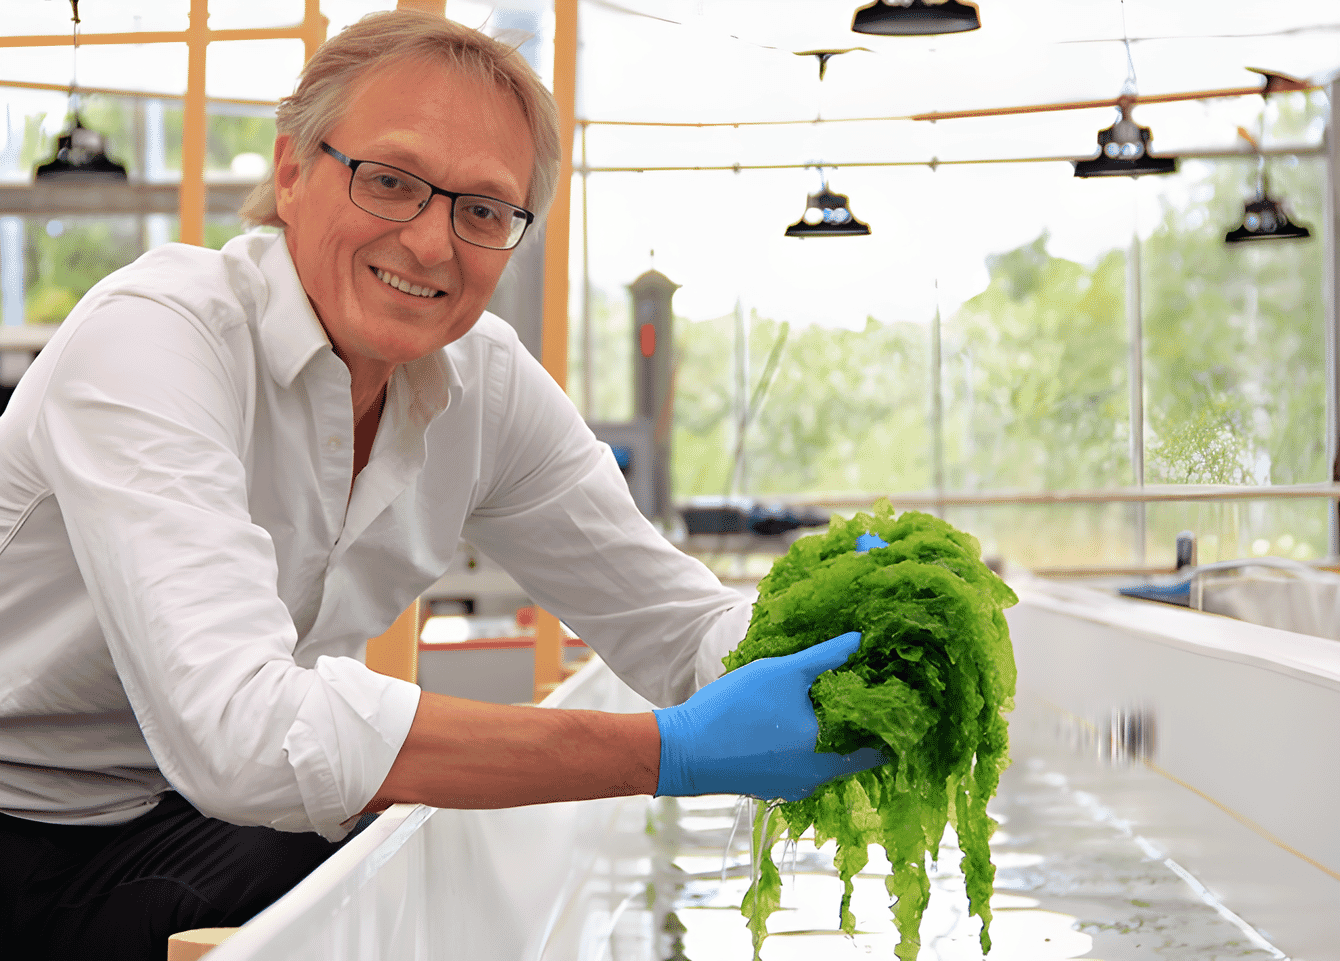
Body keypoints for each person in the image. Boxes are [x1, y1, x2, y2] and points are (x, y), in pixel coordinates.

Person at [0, 11, 882, 959]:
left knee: (402, 864)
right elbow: (244, 730)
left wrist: (845, 640)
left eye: (482, 210)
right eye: (388, 181)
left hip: (191, 827)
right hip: (21, 815)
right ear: (291, 170)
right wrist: (662, 753)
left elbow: (676, 623)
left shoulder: (484, 387)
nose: (430, 244)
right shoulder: (156, 337)